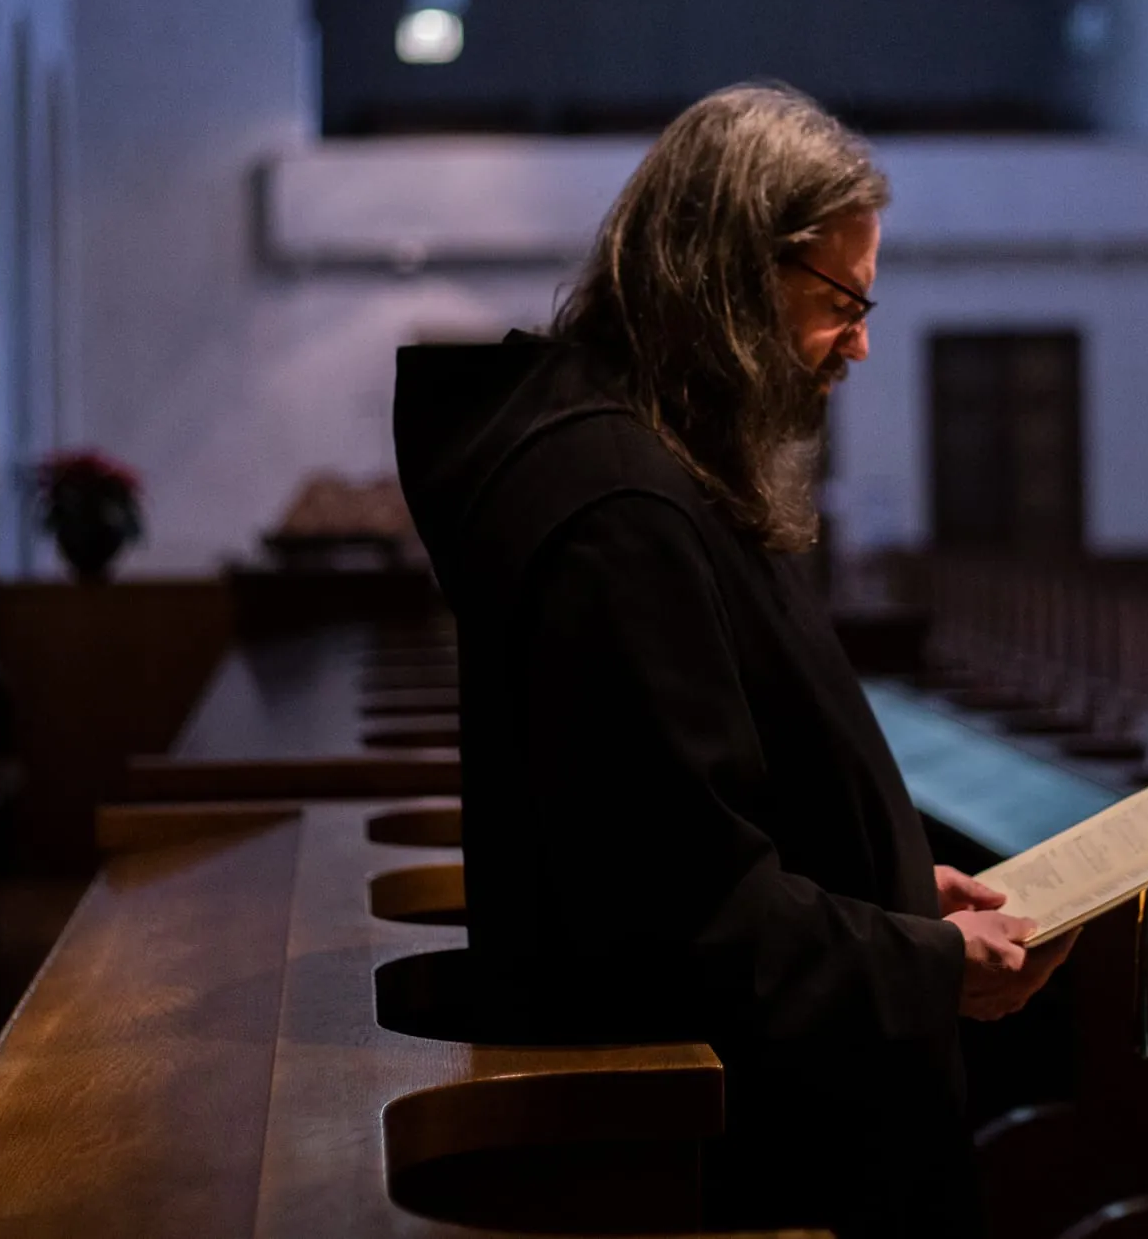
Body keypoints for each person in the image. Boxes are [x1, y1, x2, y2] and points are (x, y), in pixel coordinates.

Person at [394, 82, 1074, 1239]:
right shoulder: (617, 511)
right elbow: (681, 918)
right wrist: (923, 965)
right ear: (730, 277)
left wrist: (900, 892)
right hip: (740, 1157)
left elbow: (709, 813)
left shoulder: (653, 468)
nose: (858, 343)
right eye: (841, 301)